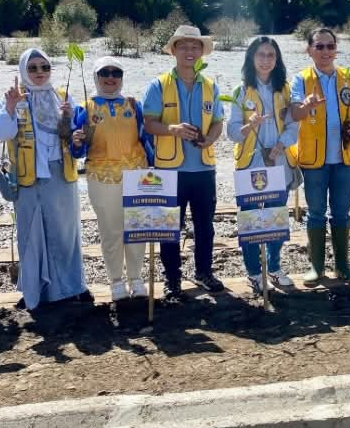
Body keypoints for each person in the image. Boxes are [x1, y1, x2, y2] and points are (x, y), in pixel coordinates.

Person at [0, 49, 90, 311]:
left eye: (44, 67)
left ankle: (73, 287)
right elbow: (2, 133)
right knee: (31, 232)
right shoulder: (15, 98)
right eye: (33, 68)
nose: (39, 73)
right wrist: (11, 108)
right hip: (29, 177)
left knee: (66, 232)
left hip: (61, 173)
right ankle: (35, 290)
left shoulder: (62, 97)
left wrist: (71, 120)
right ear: (24, 70)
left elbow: (76, 135)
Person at [143, 25, 226, 302]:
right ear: (174, 51)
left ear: (201, 51)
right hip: (170, 170)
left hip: (203, 169)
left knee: (205, 226)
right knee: (169, 227)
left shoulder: (211, 86)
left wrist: (210, 140)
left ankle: (204, 272)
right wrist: (173, 130)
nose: (189, 51)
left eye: (195, 46)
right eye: (184, 46)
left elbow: (217, 123)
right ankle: (172, 279)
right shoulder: (159, 85)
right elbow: (150, 124)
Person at [288, 27, 350, 286]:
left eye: (330, 46)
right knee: (316, 213)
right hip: (314, 160)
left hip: (343, 157)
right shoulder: (300, 79)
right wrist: (307, 105)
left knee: (342, 213)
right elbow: (295, 114)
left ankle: (343, 265)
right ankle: (316, 266)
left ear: (336, 49)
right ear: (309, 50)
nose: (325, 51)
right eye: (319, 46)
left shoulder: (349, 77)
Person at [71, 56, 153, 302]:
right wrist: (76, 141)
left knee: (137, 227)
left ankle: (136, 278)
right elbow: (77, 150)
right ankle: (116, 280)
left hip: (136, 174)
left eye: (115, 73)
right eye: (104, 73)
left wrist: (156, 169)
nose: (110, 78)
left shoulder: (133, 104)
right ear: (96, 77)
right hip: (102, 177)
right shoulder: (85, 108)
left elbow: (145, 139)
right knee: (111, 229)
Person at [227, 36, 298, 293]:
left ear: (277, 60)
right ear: (251, 58)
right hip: (250, 163)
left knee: (276, 215)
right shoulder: (241, 91)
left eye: (271, 55)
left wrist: (283, 143)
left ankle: (275, 267)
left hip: (278, 160)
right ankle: (254, 273)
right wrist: (251, 125)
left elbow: (293, 125)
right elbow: (232, 132)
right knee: (250, 218)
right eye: (260, 54)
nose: (265, 60)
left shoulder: (286, 90)